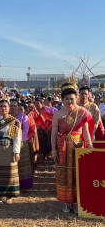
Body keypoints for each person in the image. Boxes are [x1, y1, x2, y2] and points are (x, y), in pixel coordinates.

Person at [51, 83, 94, 214]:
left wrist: (90, 147)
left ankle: (76, 203)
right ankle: (66, 202)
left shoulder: (82, 112)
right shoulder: (58, 114)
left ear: (76, 99)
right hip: (63, 147)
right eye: (66, 99)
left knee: (78, 174)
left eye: (72, 98)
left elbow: (86, 132)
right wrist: (53, 151)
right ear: (62, 100)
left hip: (78, 147)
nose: (69, 101)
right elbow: (53, 134)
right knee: (64, 174)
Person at [0, 99, 22, 204]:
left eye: (5, 106)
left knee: (10, 172)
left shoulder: (14, 121)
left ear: (9, 108)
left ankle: (9, 196)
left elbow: (17, 138)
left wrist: (17, 152)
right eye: (1, 106)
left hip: (9, 148)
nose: (3, 108)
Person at [10, 99, 33, 190]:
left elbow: (25, 131)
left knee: (23, 165)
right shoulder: (6, 117)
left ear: (18, 107)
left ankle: (24, 186)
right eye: (11, 106)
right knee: (11, 164)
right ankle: (12, 185)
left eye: (15, 106)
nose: (13, 108)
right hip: (9, 144)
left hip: (22, 143)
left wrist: (18, 141)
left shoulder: (23, 117)